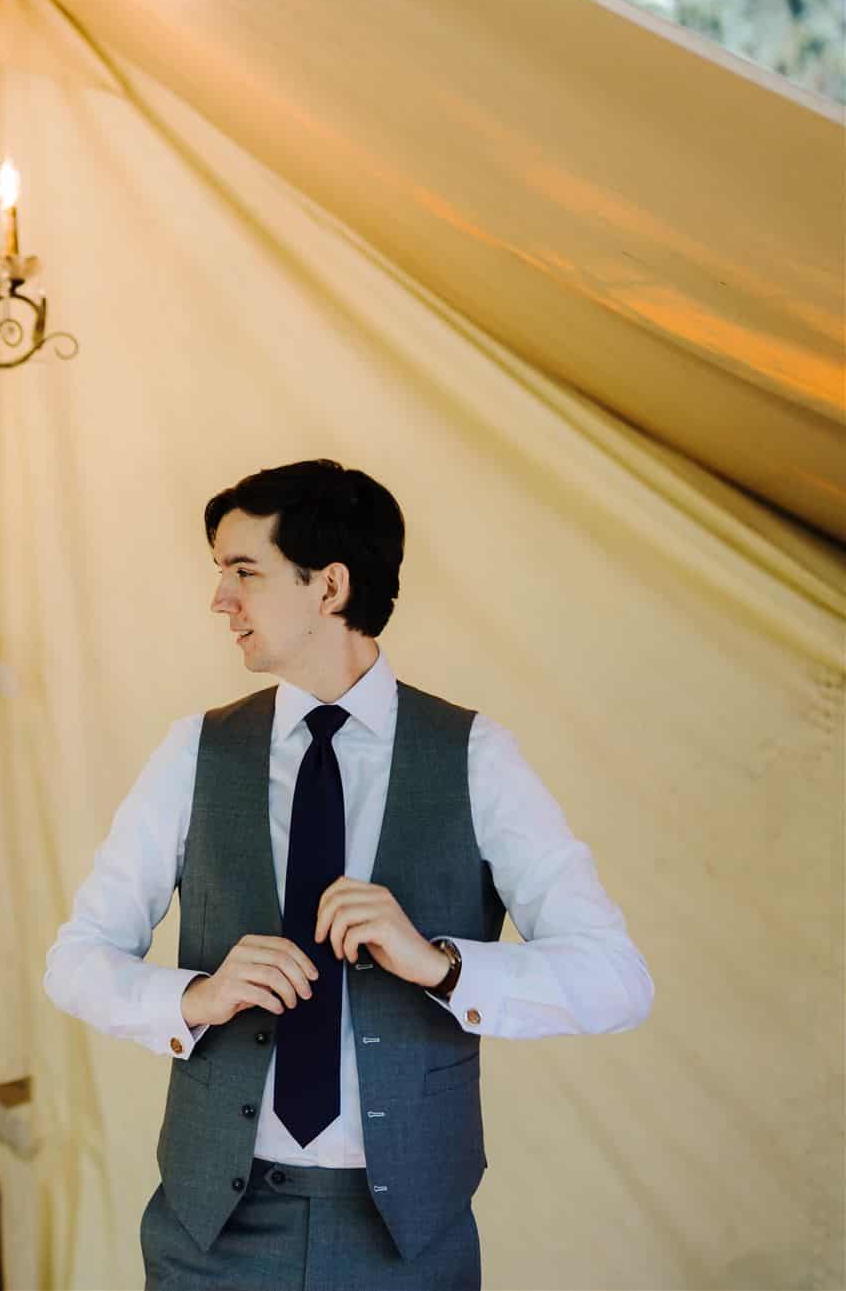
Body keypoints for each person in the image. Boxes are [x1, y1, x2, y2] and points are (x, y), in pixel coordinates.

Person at [44, 460, 653, 1289]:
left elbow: (618, 978)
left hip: (405, 1241)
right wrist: (192, 999)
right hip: (211, 1236)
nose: (220, 599)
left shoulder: (476, 757)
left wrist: (441, 964)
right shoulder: (195, 751)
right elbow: (75, 958)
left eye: (243, 571)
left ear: (328, 587)